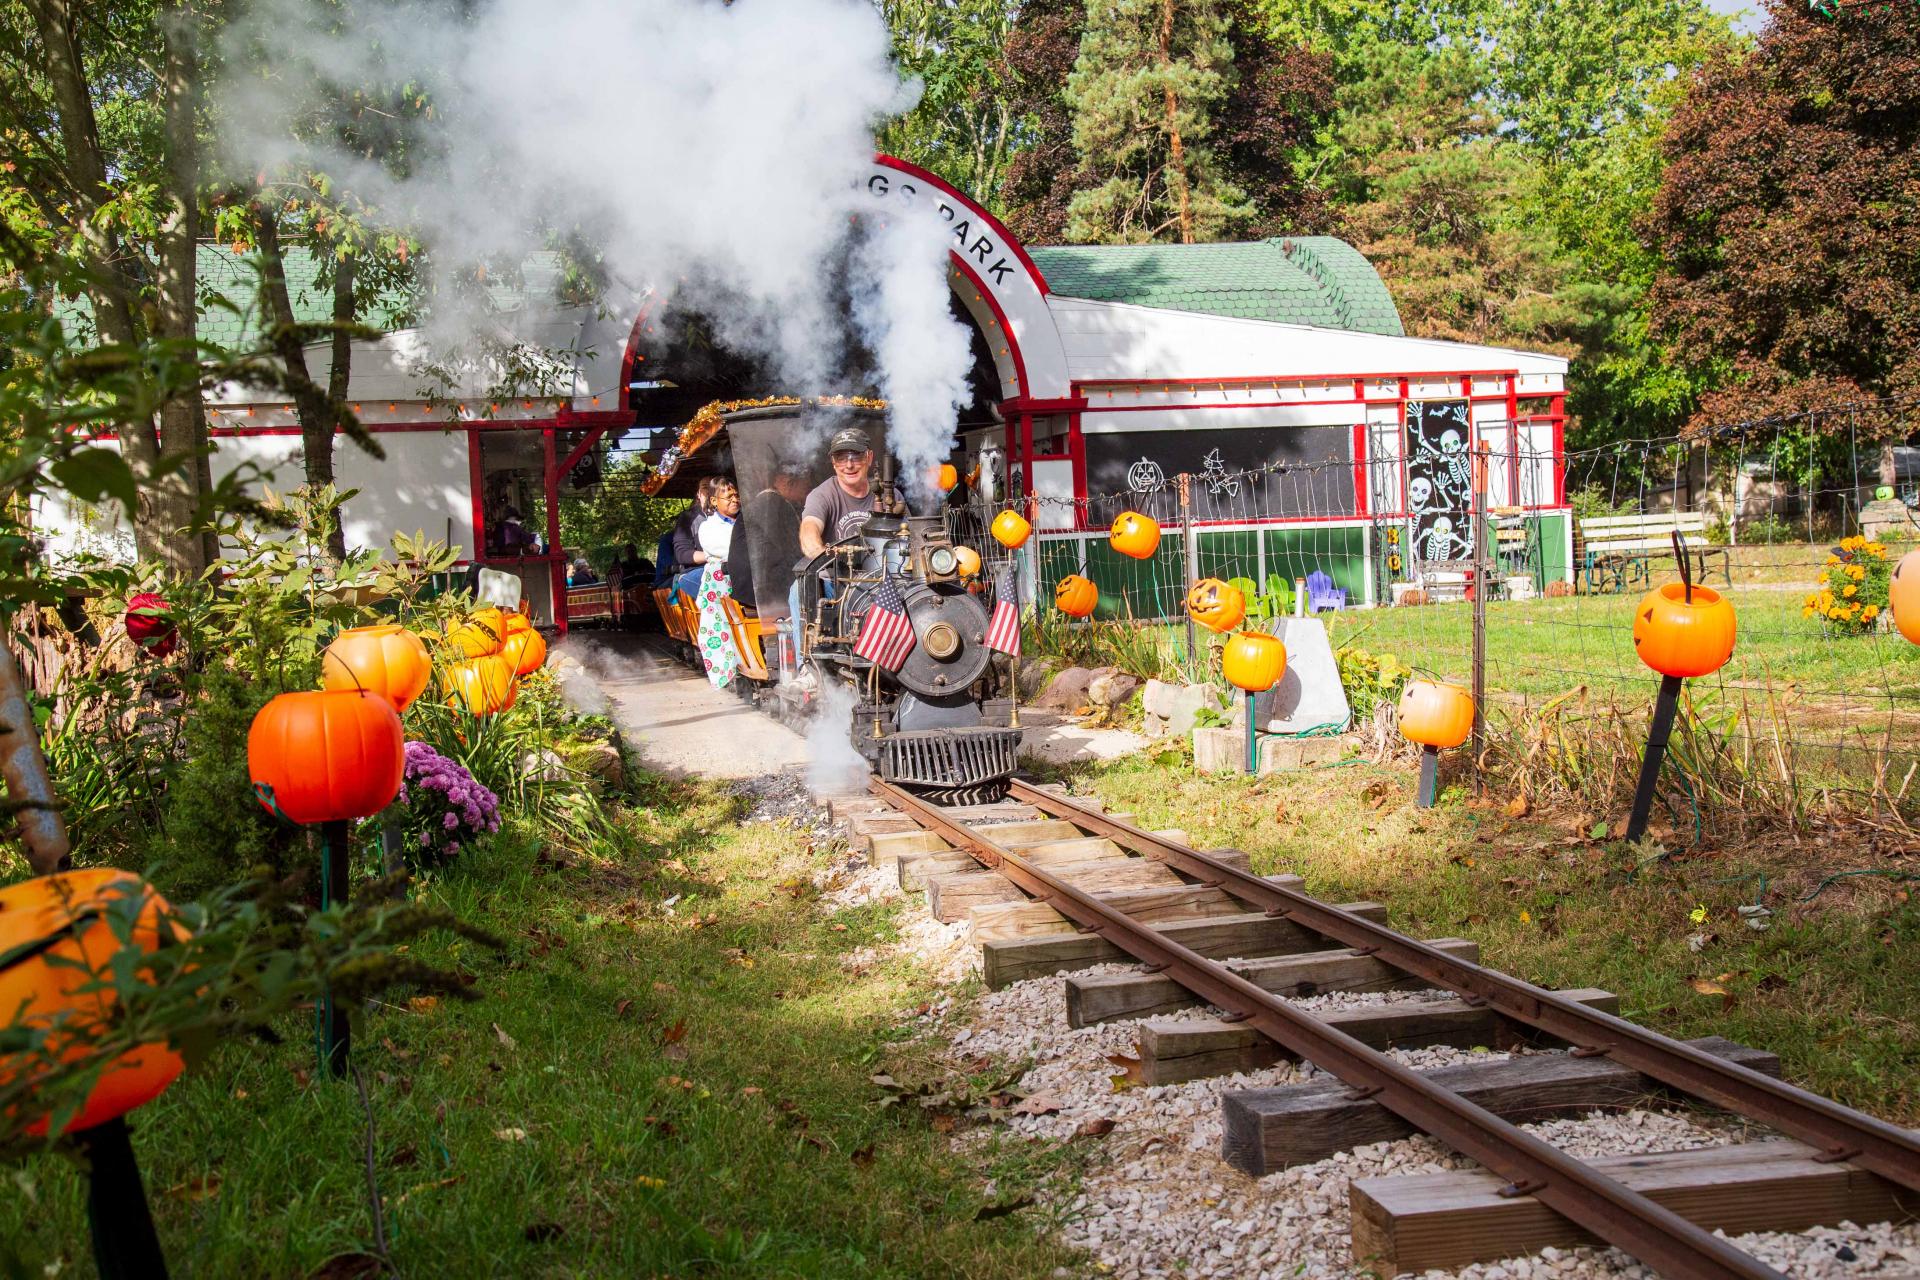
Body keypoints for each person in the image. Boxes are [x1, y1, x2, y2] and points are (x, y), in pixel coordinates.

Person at [790, 427, 878, 660]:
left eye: (856, 456)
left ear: (869, 457)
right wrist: (822, 553)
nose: (849, 465)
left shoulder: (889, 497)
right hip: (836, 584)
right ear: (833, 462)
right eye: (841, 457)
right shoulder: (822, 495)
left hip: (881, 583)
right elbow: (810, 529)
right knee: (798, 590)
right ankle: (808, 667)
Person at [746, 459, 810, 611]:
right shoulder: (772, 504)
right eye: (806, 487)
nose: (808, 491)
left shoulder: (770, 501)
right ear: (788, 482)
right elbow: (791, 553)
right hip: (765, 590)